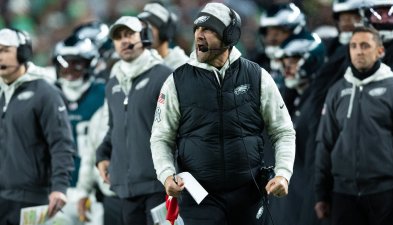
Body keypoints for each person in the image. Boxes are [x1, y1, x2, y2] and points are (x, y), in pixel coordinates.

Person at [150, 3, 296, 225]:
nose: (199, 35)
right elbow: (161, 137)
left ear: (230, 35)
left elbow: (283, 131)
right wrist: (166, 175)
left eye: (208, 29)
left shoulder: (257, 76)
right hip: (199, 200)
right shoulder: (176, 81)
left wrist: (283, 173)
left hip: (249, 196)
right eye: (197, 29)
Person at [314, 26, 393, 225]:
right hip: (343, 194)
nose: (358, 51)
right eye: (353, 46)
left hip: (385, 195)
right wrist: (321, 194)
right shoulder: (336, 91)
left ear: (380, 51)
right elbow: (324, 144)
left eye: (365, 45)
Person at [95, 16, 172, 225]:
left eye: (129, 34)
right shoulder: (113, 83)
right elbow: (115, 127)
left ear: (144, 37)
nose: (123, 41)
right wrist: (102, 155)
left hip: (158, 186)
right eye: (118, 37)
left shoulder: (164, 76)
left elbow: (178, 129)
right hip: (127, 189)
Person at [0, 28, 75, 225]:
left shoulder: (45, 92)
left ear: (23, 53)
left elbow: (61, 143)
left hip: (32, 198)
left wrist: (59, 187)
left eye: (4, 50)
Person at [52, 33, 109, 224]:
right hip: (58, 187)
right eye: (64, 65)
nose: (69, 71)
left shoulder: (104, 92)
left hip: (94, 189)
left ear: (89, 65)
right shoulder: (49, 94)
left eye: (76, 64)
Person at [272, 33, 326, 225]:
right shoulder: (293, 98)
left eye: (293, 60)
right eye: (285, 61)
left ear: (312, 60)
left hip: (308, 195)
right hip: (291, 194)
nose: (287, 67)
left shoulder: (320, 101)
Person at [138, 1, 189, 70]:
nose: (144, 32)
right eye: (142, 27)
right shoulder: (139, 63)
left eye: (150, 27)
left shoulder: (182, 66)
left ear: (164, 32)